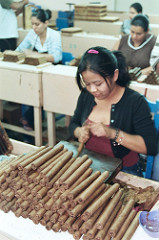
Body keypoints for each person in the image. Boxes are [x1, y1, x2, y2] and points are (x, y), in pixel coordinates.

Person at [69, 46, 158, 177]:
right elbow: (73, 124)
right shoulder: (86, 96)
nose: (93, 90)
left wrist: (113, 134)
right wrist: (79, 131)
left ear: (114, 75)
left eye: (98, 84)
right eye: (88, 84)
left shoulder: (134, 102)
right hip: (90, 165)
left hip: (124, 170)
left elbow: (150, 147)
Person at [16, 8, 62, 132]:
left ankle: (31, 119)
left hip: (53, 70)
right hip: (38, 69)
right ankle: (29, 119)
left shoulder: (54, 35)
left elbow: (56, 57)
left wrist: (33, 54)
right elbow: (20, 49)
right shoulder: (32, 34)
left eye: (37, 24)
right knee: (28, 86)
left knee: (40, 92)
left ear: (46, 23)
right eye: (32, 24)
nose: (34, 27)